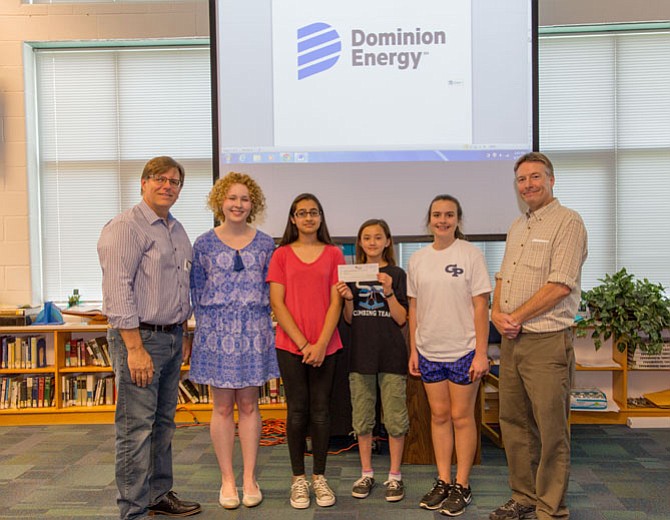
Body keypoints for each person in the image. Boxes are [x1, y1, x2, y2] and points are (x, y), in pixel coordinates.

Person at [98, 156, 201, 519]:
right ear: (143, 183)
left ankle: (158, 494)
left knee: (163, 423)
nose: (167, 186)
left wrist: (184, 330)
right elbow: (118, 290)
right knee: (135, 428)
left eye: (175, 182)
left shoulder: (175, 229)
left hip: (172, 338)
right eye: (160, 179)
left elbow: (180, 285)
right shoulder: (126, 227)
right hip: (139, 339)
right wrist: (134, 348)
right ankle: (133, 510)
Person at [489, 152, 587, 520]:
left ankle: (550, 507)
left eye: (535, 177)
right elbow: (502, 276)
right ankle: (524, 496)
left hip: (547, 341)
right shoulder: (519, 225)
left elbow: (560, 285)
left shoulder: (568, 222)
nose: (528, 184)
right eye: (522, 179)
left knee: (550, 429)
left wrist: (514, 316)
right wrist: (497, 314)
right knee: (513, 423)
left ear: (551, 179)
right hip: (513, 341)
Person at [189, 172, 280, 510]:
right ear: (220, 202)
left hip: (254, 332)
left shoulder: (267, 243)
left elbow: (274, 290)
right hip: (216, 332)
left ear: (252, 203)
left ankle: (249, 477)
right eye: (232, 198)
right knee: (223, 407)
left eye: (244, 199)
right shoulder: (203, 244)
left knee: (251, 405)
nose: (238, 204)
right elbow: (195, 291)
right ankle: (228, 478)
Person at [407, 194, 491, 517]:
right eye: (437, 214)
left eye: (449, 215)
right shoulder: (417, 259)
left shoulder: (471, 255)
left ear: (458, 219)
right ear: (429, 220)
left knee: (461, 417)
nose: (442, 220)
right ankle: (443, 480)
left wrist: (480, 353)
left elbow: (481, 306)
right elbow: (414, 307)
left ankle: (462, 484)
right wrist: (413, 349)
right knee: (439, 416)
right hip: (429, 350)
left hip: (463, 351)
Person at [267, 193, 345, 510]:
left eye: (314, 212)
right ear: (293, 219)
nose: (309, 217)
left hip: (327, 344)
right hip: (290, 346)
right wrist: (304, 345)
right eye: (302, 213)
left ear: (321, 217)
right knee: (297, 411)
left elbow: (337, 300)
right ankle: (298, 479)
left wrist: (321, 344)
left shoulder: (334, 253)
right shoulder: (282, 255)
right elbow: (277, 303)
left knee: (322, 412)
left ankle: (320, 478)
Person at [335, 219, 410, 503]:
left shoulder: (397, 273)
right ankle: (366, 472)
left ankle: (394, 476)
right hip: (360, 357)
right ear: (360, 242)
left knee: (394, 419)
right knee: (363, 419)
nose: (373, 242)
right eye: (367, 238)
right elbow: (349, 320)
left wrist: (389, 291)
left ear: (388, 241)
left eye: (378, 237)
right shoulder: (352, 273)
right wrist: (347, 298)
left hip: (391, 356)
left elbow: (402, 319)